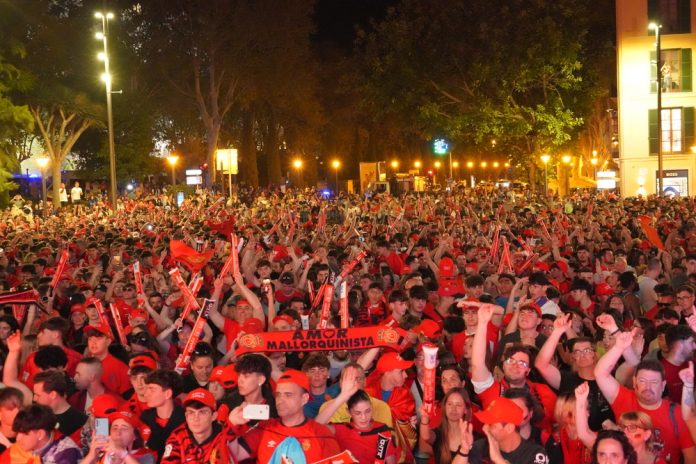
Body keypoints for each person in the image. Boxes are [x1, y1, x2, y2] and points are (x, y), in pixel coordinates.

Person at [594, 329, 696, 462]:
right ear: (635, 382)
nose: (648, 387)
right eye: (642, 381)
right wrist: (619, 347)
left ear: (663, 385)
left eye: (654, 382)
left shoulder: (677, 413)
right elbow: (600, 373)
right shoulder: (623, 398)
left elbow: (691, 458)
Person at [228, 369, 341, 462]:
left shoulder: (322, 434)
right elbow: (234, 455)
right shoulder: (264, 427)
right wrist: (232, 425)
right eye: (278, 395)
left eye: (288, 395)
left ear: (304, 399)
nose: (280, 401)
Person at [453, 396, 549, 464]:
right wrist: (464, 450)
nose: (484, 428)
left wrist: (498, 460)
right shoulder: (481, 446)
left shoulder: (536, 454)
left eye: (491, 424)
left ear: (509, 428)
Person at [162, 389, 237, 464]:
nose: (196, 418)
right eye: (191, 412)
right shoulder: (177, 437)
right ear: (186, 416)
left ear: (214, 416)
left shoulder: (224, 436)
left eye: (202, 412)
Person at [0, 404, 81, 464]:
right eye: (18, 433)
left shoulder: (65, 455)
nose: (17, 438)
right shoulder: (28, 444)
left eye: (24, 434)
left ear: (40, 434)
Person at [139, 369, 184, 460]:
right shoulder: (144, 418)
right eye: (146, 389)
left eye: (152, 389)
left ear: (167, 393)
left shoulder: (186, 419)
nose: (145, 394)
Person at [419, 388, 472, 464]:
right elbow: (426, 436)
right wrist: (424, 418)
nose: (453, 409)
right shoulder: (438, 433)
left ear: (465, 409)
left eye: (458, 405)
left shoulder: (472, 437)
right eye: (450, 404)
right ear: (445, 407)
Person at [81, 410, 156, 464]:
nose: (118, 432)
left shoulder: (145, 456)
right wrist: (91, 455)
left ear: (135, 436)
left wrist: (123, 454)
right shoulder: (103, 453)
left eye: (124, 428)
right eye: (115, 428)